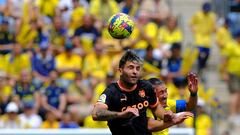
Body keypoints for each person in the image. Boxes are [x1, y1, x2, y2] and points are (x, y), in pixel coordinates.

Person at [92, 50, 190, 135]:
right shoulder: (112, 92)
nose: (135, 71)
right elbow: (96, 114)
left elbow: (155, 107)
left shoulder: (146, 87)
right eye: (131, 67)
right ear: (120, 71)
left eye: (138, 68)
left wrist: (167, 116)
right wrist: (120, 114)